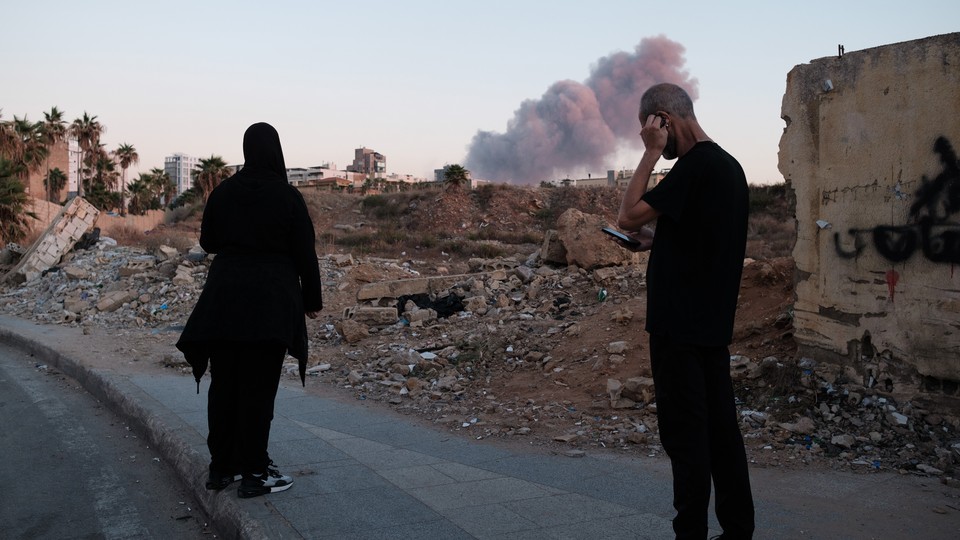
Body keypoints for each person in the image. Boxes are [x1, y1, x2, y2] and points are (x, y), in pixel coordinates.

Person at [616, 83, 754, 539]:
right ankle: (738, 531)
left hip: (678, 328)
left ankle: (689, 534)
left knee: (685, 439)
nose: (651, 139)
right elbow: (705, 238)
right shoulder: (729, 167)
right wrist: (660, 242)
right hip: (712, 326)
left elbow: (627, 215)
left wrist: (650, 155)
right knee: (721, 436)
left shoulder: (694, 166)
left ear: (664, 120)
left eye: (650, 129)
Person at [176, 122, 322, 499]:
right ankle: (256, 471)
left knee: (224, 385)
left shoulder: (224, 192)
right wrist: (312, 302)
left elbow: (207, 242)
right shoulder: (288, 197)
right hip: (270, 304)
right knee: (258, 389)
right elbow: (306, 254)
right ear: (275, 151)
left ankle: (222, 469)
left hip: (224, 302)